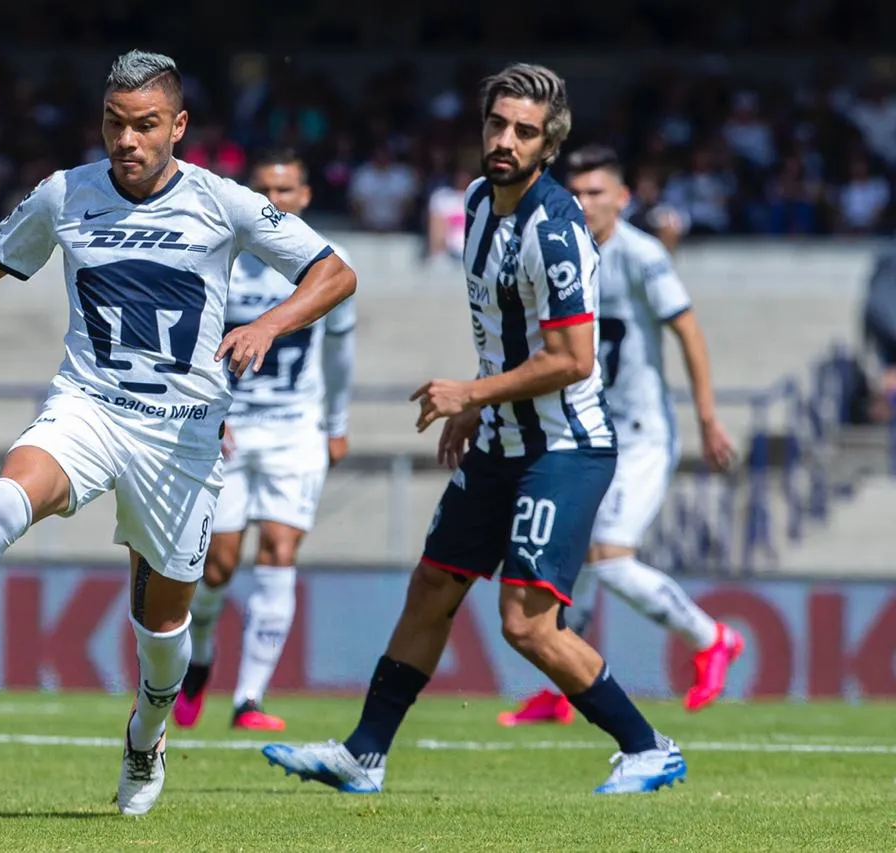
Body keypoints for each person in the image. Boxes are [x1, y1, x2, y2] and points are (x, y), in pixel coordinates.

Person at [0, 50, 356, 817]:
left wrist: (269, 323)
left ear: (178, 126)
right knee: (5, 499)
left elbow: (335, 272)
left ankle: (147, 734)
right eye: (114, 123)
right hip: (89, 408)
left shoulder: (223, 202)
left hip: (181, 440)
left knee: (162, 630)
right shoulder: (65, 194)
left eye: (145, 125)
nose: (126, 140)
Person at [263, 63, 686, 796]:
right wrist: (476, 405)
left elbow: (573, 359)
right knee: (432, 585)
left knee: (526, 624)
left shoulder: (556, 229)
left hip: (564, 447)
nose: (506, 140)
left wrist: (472, 392)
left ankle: (648, 746)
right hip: (501, 441)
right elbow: (504, 335)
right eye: (497, 124)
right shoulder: (476, 203)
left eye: (524, 131)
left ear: (548, 146)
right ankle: (364, 754)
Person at [498, 144, 743, 728]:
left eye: (597, 193)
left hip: (640, 434)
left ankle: (711, 637)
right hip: (587, 432)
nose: (585, 203)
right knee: (577, 559)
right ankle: (564, 688)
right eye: (576, 193)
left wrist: (707, 417)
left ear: (623, 198)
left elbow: (688, 331)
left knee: (609, 556)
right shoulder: (559, 250)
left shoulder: (640, 254)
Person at [173, 148, 356, 733]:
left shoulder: (328, 263)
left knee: (280, 550)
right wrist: (206, 410)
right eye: (265, 190)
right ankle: (201, 657)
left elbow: (339, 354)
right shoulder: (220, 255)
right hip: (227, 429)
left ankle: (249, 700)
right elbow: (190, 345)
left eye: (286, 190)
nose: (274, 200)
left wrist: (336, 424)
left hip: (295, 429)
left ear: (305, 197)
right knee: (218, 567)